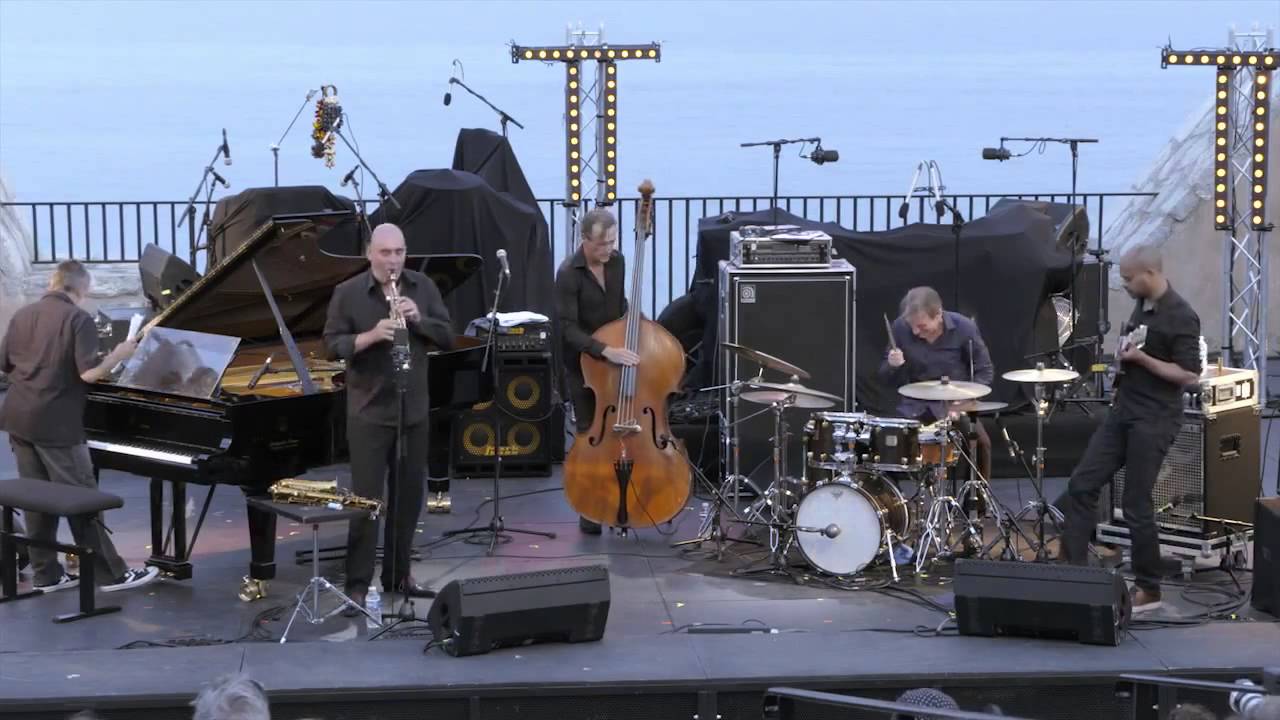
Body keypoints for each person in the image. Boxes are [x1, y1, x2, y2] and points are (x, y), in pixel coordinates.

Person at [0, 260, 159, 593]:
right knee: (82, 497)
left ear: (52, 283)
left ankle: (47, 575)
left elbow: (5, 365)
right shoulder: (77, 318)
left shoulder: (22, 315)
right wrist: (120, 353)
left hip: (17, 417)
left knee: (37, 499)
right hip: (56, 423)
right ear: (79, 288)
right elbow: (88, 374)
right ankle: (111, 575)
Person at [1058, 245, 1201, 613]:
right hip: (1123, 412)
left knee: (1136, 504)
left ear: (1149, 274)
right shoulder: (1144, 306)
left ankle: (1149, 588)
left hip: (1154, 419)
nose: (1123, 284)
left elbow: (1188, 375)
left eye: (1127, 278)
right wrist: (1125, 355)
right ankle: (1071, 575)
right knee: (1081, 485)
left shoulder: (1182, 316)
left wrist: (1142, 358)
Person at [323, 223, 454, 612]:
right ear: (369, 254)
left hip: (412, 410)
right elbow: (331, 346)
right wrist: (371, 335)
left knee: (408, 500)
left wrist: (419, 321)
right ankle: (358, 586)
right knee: (366, 503)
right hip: (368, 413)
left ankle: (399, 575)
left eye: (399, 252)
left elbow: (447, 335)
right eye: (385, 253)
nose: (394, 261)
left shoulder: (423, 288)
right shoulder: (347, 294)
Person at [555, 208, 639, 534]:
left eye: (613, 242)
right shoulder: (568, 274)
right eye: (602, 244)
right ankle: (589, 509)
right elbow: (567, 329)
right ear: (585, 240)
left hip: (614, 358)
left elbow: (620, 304)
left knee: (624, 430)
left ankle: (625, 498)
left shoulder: (616, 263)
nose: (608, 250)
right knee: (591, 433)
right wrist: (605, 350)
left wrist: (636, 326)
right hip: (583, 365)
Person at [877, 286, 995, 500]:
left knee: (981, 443)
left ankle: (976, 505)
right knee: (888, 443)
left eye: (921, 327)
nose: (915, 332)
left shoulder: (964, 328)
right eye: (911, 326)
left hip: (954, 403)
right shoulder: (900, 328)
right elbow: (885, 378)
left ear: (938, 314)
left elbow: (984, 370)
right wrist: (892, 365)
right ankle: (894, 507)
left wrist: (964, 400)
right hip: (916, 405)